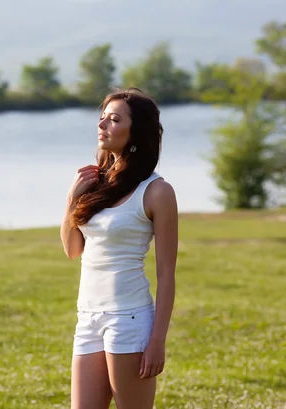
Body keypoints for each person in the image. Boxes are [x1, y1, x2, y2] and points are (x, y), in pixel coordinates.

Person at [60, 87, 178, 409]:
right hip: (88, 317)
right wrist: (72, 199)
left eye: (113, 120)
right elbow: (73, 250)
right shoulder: (95, 185)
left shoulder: (156, 192)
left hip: (129, 318)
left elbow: (167, 274)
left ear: (135, 131)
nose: (102, 126)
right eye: (102, 119)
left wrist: (157, 341)